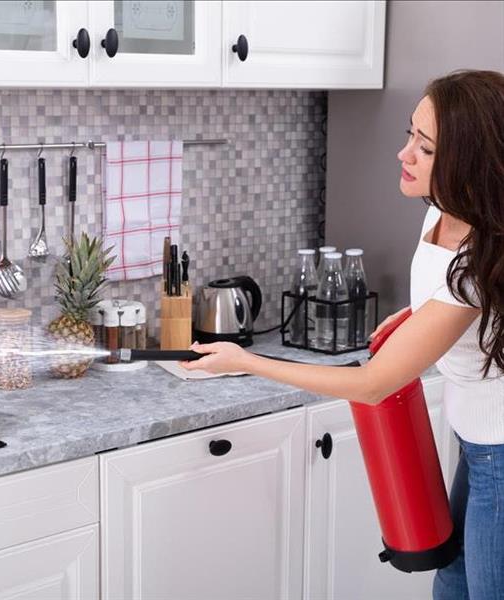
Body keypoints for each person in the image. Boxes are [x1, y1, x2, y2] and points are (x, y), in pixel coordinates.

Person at [181, 70, 504, 600]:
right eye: (410, 135)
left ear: (467, 162)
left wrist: (247, 361)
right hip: (475, 442)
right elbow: (460, 306)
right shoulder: (442, 213)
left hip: (499, 452)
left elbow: (375, 385)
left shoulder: (474, 259)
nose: (404, 154)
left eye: (424, 148)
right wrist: (414, 316)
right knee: (452, 581)